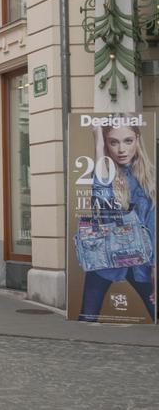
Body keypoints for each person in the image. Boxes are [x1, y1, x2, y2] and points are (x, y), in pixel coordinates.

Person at [78, 120, 156, 322]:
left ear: (137, 140)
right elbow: (101, 200)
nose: (122, 149)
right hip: (105, 259)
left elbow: (154, 224)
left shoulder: (150, 177)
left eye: (128, 140)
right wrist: (98, 147)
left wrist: (155, 265)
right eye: (113, 142)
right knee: (86, 319)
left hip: (143, 262)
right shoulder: (106, 172)